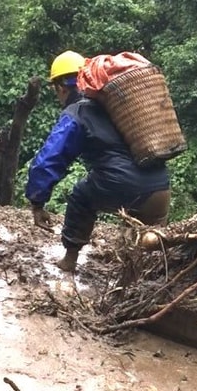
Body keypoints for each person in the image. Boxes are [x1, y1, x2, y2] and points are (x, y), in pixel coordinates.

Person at [25, 50, 172, 272]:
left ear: (61, 88)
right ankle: (145, 278)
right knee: (141, 242)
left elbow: (49, 159)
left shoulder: (77, 113)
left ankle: (69, 260)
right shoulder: (118, 105)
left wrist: (37, 202)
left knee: (81, 196)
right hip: (160, 186)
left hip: (121, 185)